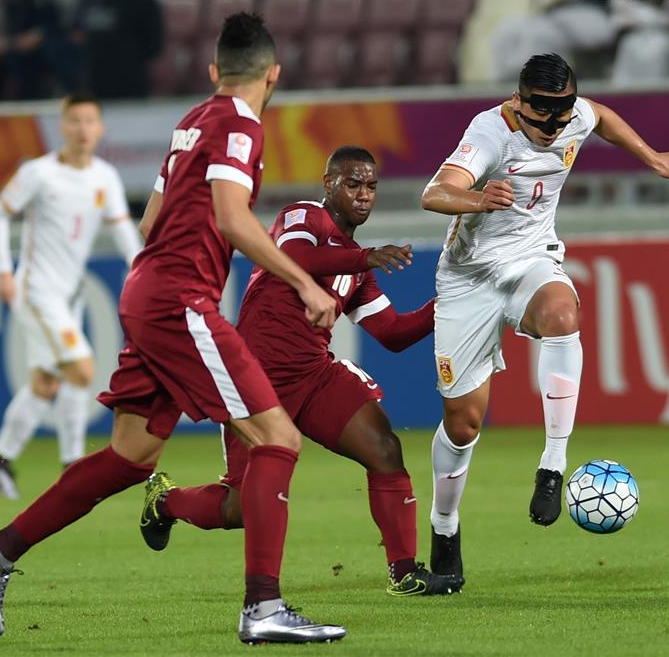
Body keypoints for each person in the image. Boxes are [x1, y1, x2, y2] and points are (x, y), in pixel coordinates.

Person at [0, 12, 345, 645]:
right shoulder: (241, 126)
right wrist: (304, 282)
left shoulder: (192, 122)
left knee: (131, 456)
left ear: (214, 72)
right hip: (180, 301)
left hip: (146, 293)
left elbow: (149, 225)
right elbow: (231, 216)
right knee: (278, 438)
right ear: (274, 75)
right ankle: (264, 607)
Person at [421, 53, 669, 579]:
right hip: (469, 280)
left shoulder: (574, 116)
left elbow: (605, 117)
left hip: (531, 262)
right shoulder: (490, 132)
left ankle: (552, 463)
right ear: (518, 101)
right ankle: (445, 524)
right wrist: (477, 199)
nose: (552, 129)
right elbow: (433, 193)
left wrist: (652, 157)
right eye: (541, 117)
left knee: (562, 313)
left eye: (561, 116)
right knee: (463, 423)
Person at [137, 146, 465, 597]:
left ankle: (404, 571)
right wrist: (364, 257)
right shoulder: (305, 217)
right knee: (242, 509)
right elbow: (297, 260)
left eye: (371, 186)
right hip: (252, 378)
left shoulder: (355, 265)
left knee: (385, 450)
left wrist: (448, 303)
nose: (364, 195)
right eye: (353, 184)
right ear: (328, 184)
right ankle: (166, 501)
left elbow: (392, 333)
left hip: (312, 377)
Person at [0, 93, 142, 500]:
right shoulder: (39, 173)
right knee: (83, 370)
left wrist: (143, 269)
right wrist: (3, 271)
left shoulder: (104, 176)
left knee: (45, 382)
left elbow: (123, 231)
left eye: (90, 121)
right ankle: (72, 465)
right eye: (75, 121)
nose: (83, 129)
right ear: (62, 126)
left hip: (69, 295)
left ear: (100, 128)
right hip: (36, 292)